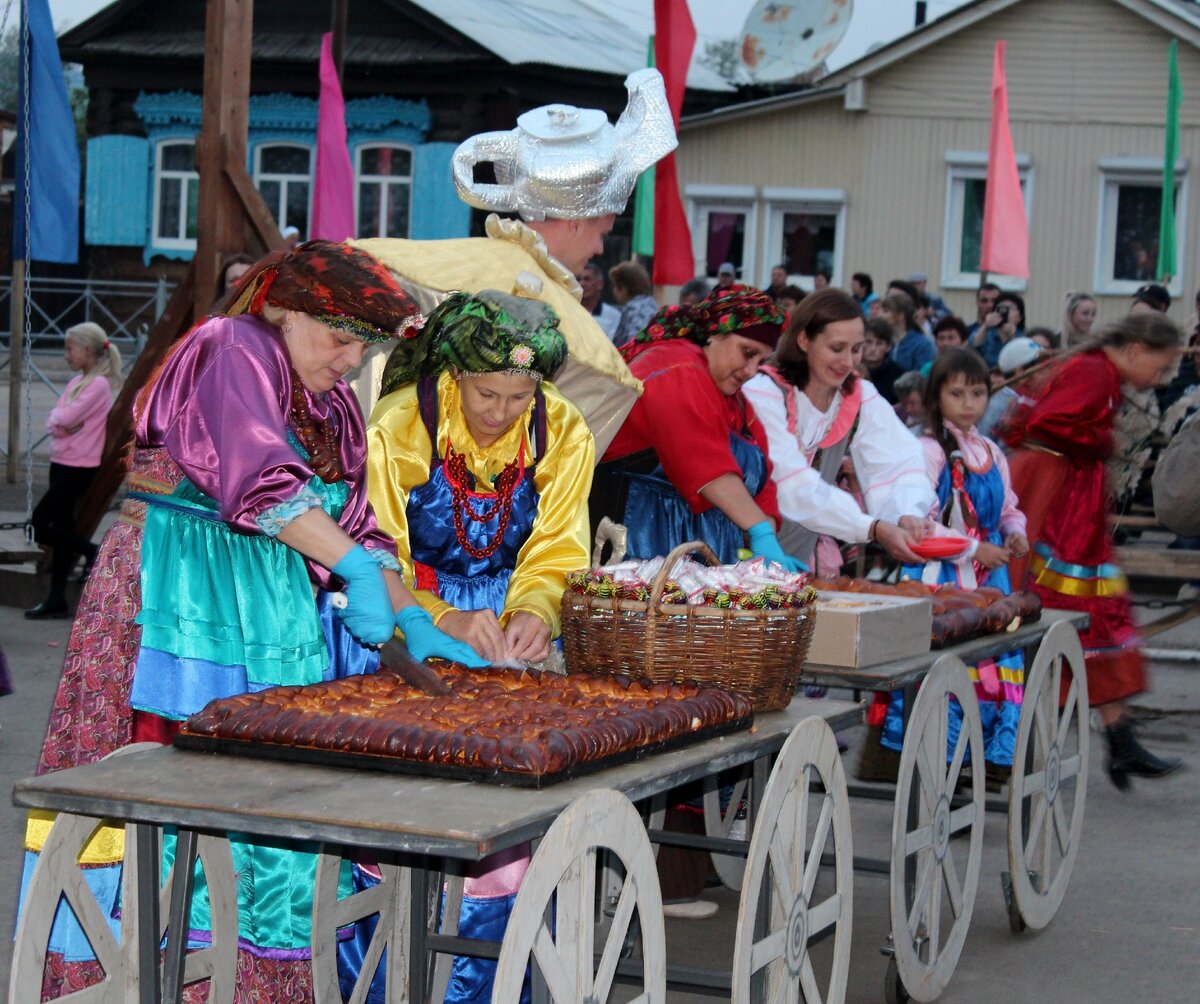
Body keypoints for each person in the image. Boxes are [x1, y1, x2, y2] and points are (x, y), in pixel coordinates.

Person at [22, 242, 480, 1002]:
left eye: (364, 349)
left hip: (267, 609)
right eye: (342, 340)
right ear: (287, 310)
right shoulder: (230, 347)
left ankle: (252, 980)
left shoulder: (332, 402)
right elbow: (260, 480)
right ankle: (151, 973)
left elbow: (357, 523)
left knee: (266, 806)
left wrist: (410, 616)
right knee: (172, 794)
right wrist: (356, 574)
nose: (352, 362)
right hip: (179, 593)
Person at [367, 289, 592, 1000]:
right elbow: (374, 548)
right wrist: (435, 617)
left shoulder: (563, 430)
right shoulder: (403, 421)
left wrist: (536, 610)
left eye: (518, 397)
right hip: (406, 619)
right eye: (485, 392)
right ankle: (390, 970)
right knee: (400, 791)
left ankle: (493, 973)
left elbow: (559, 546)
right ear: (452, 373)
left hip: (503, 628)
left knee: (505, 794)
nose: (498, 412)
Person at [356, 68, 677, 457]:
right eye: (602, 234)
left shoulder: (445, 262)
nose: (597, 250)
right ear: (576, 223)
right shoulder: (563, 321)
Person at [1005, 312, 1184, 790]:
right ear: (1134, 350)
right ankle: (1099, 738)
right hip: (1058, 501)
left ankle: (1118, 736)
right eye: (1160, 367)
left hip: (1069, 499)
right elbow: (1048, 421)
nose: (1160, 379)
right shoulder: (1093, 372)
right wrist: (1104, 439)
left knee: (1097, 612)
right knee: (1080, 611)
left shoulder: (1097, 371)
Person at [883, 348, 1029, 775]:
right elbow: (919, 524)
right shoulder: (928, 450)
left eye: (978, 393)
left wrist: (1015, 530)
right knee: (947, 666)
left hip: (988, 579)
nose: (969, 404)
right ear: (937, 397)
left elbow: (1007, 507)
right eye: (958, 393)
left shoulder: (990, 451)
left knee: (992, 665)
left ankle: (975, 761)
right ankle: (940, 764)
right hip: (938, 576)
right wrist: (971, 549)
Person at [591, 286, 801, 571]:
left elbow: (763, 483)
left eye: (761, 361)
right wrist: (759, 531)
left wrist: (766, 546)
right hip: (636, 536)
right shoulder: (676, 367)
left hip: (700, 554)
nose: (752, 370)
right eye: (747, 353)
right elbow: (706, 467)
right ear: (714, 335)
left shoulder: (737, 404)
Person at [744, 287, 933, 570]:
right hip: (728, 554)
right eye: (837, 348)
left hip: (791, 561)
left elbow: (900, 459)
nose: (848, 361)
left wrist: (906, 512)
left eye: (857, 349)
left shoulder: (858, 396)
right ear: (804, 340)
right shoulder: (762, 393)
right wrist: (873, 528)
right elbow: (791, 484)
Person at [25, 323, 121, 619]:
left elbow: (66, 416)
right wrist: (62, 423)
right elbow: (56, 421)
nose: (67, 355)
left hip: (79, 466)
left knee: (39, 523)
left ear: (88, 351)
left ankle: (93, 552)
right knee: (64, 527)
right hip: (61, 460)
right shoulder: (78, 381)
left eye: (70, 349)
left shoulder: (98, 385)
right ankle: (57, 598)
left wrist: (63, 422)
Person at [978, 334, 1043, 439]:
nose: (1046, 371)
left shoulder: (1027, 398)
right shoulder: (1000, 404)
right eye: (1040, 367)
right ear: (1020, 372)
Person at [609, 259, 659, 348]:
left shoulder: (634, 311)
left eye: (614, 286)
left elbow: (634, 345)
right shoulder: (653, 306)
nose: (614, 291)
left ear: (623, 288)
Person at [969, 290, 1026, 368]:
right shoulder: (986, 334)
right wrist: (986, 326)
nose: (1005, 311)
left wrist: (1012, 337)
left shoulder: (1024, 337)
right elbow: (971, 348)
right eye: (1000, 308)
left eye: (1010, 308)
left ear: (1019, 317)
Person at [883, 291, 936, 372]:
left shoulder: (922, 345)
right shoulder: (884, 341)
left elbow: (921, 377)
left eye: (886, 311)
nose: (881, 315)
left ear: (901, 315)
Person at [861, 315, 904, 404]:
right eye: (868, 342)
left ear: (888, 347)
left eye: (879, 343)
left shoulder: (898, 375)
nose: (873, 348)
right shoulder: (850, 369)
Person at [577, 258, 621, 340]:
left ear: (600, 284)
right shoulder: (569, 311)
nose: (582, 284)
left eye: (587, 279)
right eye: (579, 279)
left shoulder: (614, 316)